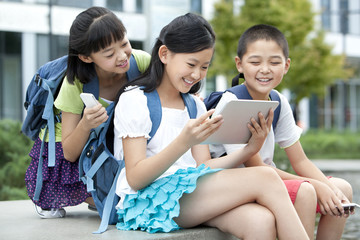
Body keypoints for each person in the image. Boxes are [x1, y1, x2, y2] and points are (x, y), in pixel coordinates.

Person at [113, 13, 309, 240]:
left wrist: (250, 149)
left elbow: (204, 165)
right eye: (191, 64)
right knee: (266, 177)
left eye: (204, 67)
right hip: (150, 200)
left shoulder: (194, 103)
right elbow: (136, 178)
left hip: (190, 192)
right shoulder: (135, 99)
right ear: (165, 54)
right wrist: (183, 142)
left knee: (259, 221)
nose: (196, 75)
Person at [208, 24, 353, 240]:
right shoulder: (232, 103)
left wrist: (326, 186)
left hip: (269, 180)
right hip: (239, 186)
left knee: (342, 189)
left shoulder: (277, 101)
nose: (265, 69)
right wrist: (315, 185)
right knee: (305, 190)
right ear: (240, 64)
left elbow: (301, 161)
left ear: (286, 65)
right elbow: (256, 167)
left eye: (274, 62)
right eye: (255, 62)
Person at [25, 6, 150, 219]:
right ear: (85, 57)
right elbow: (70, 152)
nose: (122, 56)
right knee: (120, 206)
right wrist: (86, 124)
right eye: (109, 54)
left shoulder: (140, 63)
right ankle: (91, 191)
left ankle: (100, 189)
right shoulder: (75, 84)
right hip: (73, 150)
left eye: (125, 44)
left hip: (114, 140)